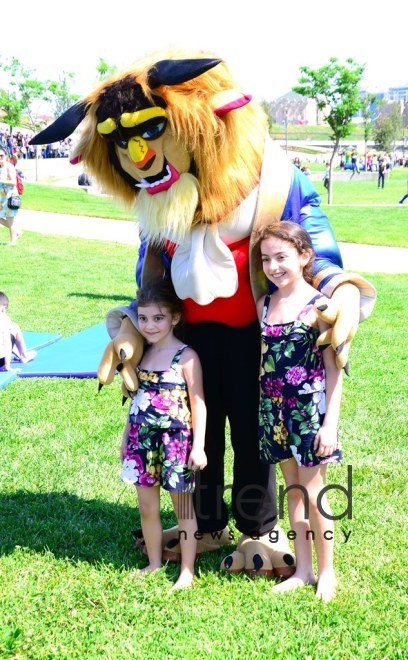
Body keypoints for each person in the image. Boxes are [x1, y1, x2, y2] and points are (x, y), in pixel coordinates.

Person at [30, 50, 376, 575]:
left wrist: (341, 290)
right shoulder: (160, 205)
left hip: (260, 338)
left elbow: (313, 242)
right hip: (191, 342)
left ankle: (259, 530)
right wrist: (132, 328)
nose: (139, 155)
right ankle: (209, 525)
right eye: (121, 144)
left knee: (255, 432)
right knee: (197, 430)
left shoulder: (272, 180)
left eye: (149, 133)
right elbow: (152, 280)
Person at [255, 221, 343, 602]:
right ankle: (303, 569)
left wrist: (330, 425)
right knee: (292, 492)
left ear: (304, 256)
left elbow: (334, 369)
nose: (273, 266)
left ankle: (327, 573)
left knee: (313, 493)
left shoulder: (320, 307)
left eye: (282, 257)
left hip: (308, 412)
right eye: (266, 259)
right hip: (273, 411)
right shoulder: (264, 302)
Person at [120, 280, 207, 590]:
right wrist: (126, 438)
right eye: (143, 318)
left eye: (158, 318)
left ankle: (187, 570)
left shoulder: (186, 357)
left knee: (183, 508)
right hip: (142, 441)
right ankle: (155, 562)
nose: (149, 325)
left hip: (177, 443)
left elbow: (198, 404)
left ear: (174, 318)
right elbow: (136, 401)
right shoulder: (140, 354)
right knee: (147, 506)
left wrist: (199, 447)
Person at [0, 291, 37, 371]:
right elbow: (6, 342)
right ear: (3, 307)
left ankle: (20, 355)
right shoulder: (3, 319)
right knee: (14, 327)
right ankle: (24, 356)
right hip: (1, 362)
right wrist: (7, 366)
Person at [0, 150, 21, 246]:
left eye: (1, 155)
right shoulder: (1, 168)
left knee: (9, 218)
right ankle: (17, 231)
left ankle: (13, 241)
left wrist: (2, 181)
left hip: (10, 196)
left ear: (5, 156)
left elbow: (13, 182)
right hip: (2, 198)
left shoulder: (9, 167)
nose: (0, 157)